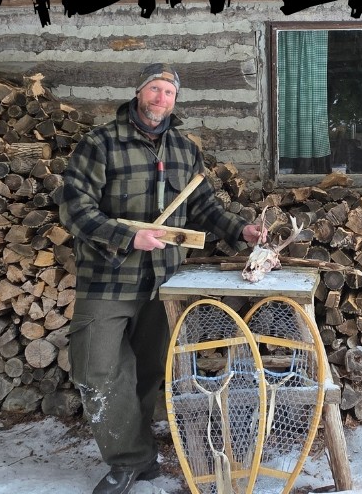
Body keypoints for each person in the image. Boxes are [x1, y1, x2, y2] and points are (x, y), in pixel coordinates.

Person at [59, 63, 262, 494]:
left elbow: (205, 207)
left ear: (176, 100)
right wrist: (129, 237)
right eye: (155, 89)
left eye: (169, 92)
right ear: (139, 92)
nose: (161, 99)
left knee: (149, 371)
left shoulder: (185, 150)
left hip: (162, 282)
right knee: (96, 370)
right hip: (107, 280)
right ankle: (128, 460)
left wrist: (239, 230)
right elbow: (75, 210)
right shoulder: (100, 144)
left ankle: (139, 458)